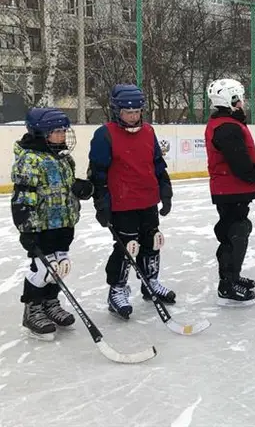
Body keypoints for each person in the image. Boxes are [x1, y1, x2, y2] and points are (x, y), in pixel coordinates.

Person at [88, 85, 174, 320]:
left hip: (147, 199)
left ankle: (150, 282)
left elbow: (157, 164)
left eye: (137, 111)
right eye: (128, 112)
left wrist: (165, 190)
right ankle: (117, 290)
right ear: (117, 111)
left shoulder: (148, 131)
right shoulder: (104, 135)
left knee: (152, 242)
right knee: (127, 246)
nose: (134, 116)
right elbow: (98, 173)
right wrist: (101, 203)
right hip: (122, 203)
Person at [11, 108, 93, 339]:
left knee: (60, 267)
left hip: (63, 223)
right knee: (43, 269)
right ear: (40, 133)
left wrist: (81, 188)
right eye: (56, 131)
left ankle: (50, 302)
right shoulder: (29, 159)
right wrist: (26, 228)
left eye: (63, 130)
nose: (62, 135)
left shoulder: (63, 157)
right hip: (41, 225)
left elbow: (63, 186)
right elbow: (24, 196)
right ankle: (33, 308)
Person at [203, 78, 255, 306]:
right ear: (231, 100)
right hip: (230, 189)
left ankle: (232, 276)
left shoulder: (227, 123)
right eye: (239, 98)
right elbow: (241, 165)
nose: (243, 103)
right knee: (235, 234)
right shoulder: (227, 127)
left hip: (231, 188)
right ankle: (228, 283)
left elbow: (243, 158)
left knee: (235, 231)